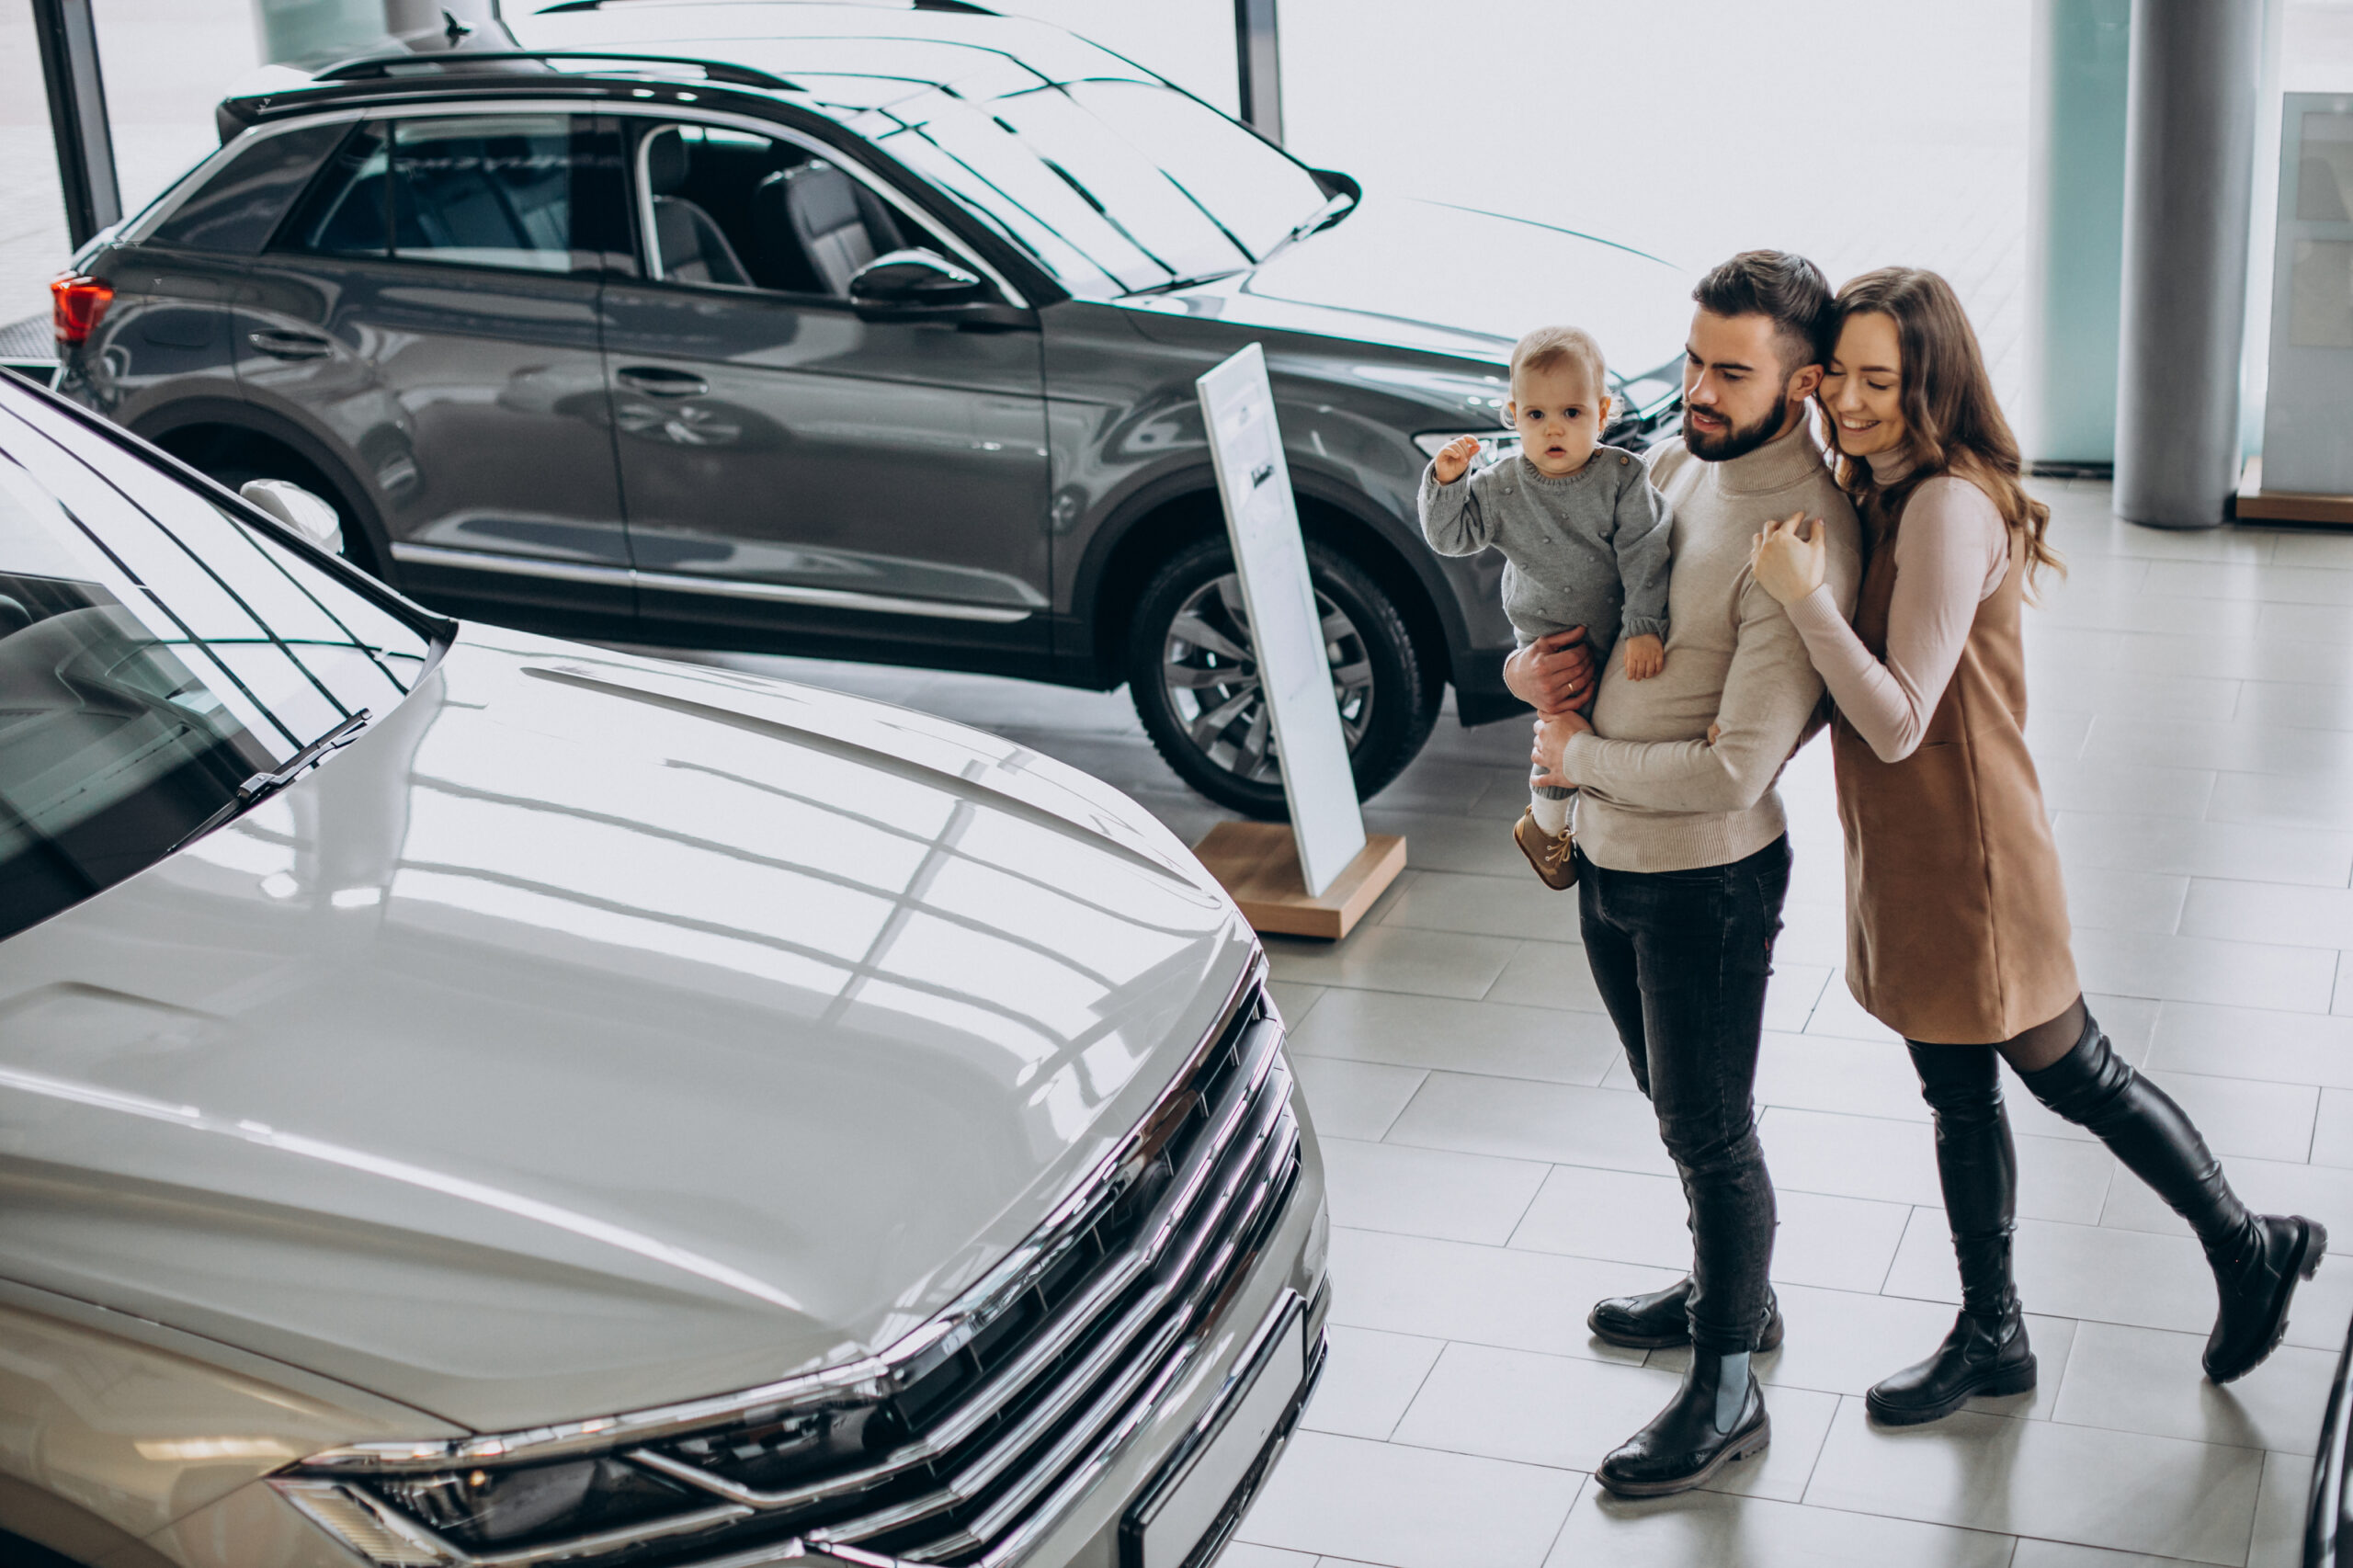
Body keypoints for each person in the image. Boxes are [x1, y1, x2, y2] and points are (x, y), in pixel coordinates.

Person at [1749, 266, 2325, 1425]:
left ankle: (2248, 1243)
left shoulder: (1947, 506)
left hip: (1971, 854)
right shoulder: (1877, 485)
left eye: (1882, 381)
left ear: (1935, 384)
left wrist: (1805, 600)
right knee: (1958, 1090)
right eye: (1841, 377)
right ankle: (1995, 1331)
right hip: (1909, 850)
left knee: (2073, 1072)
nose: (1853, 403)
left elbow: (1900, 716)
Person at [1517, 251, 1862, 1496]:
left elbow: (1737, 769)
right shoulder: (1672, 466)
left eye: (1732, 369)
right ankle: (1735, 1288)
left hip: (1706, 880)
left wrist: (1584, 754)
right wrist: (1537, 682)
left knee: (1711, 1130)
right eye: (1694, 357)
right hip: (1613, 855)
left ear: (1803, 381)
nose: (1699, 388)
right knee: (1670, 1100)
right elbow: (1596, 629)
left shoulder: (1802, 532)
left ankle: (1727, 1382)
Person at [1419, 324, 1671, 891]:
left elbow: (1646, 552)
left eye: (1573, 413)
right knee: (1565, 723)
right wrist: (1446, 482)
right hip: (1548, 640)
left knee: (1616, 729)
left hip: (1620, 626)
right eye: (1536, 415)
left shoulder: (1622, 477)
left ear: (1602, 412)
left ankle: (1587, 821)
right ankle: (1547, 824)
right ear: (1513, 414)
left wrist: (1644, 627)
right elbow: (1450, 537)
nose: (1553, 428)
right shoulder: (1502, 484)